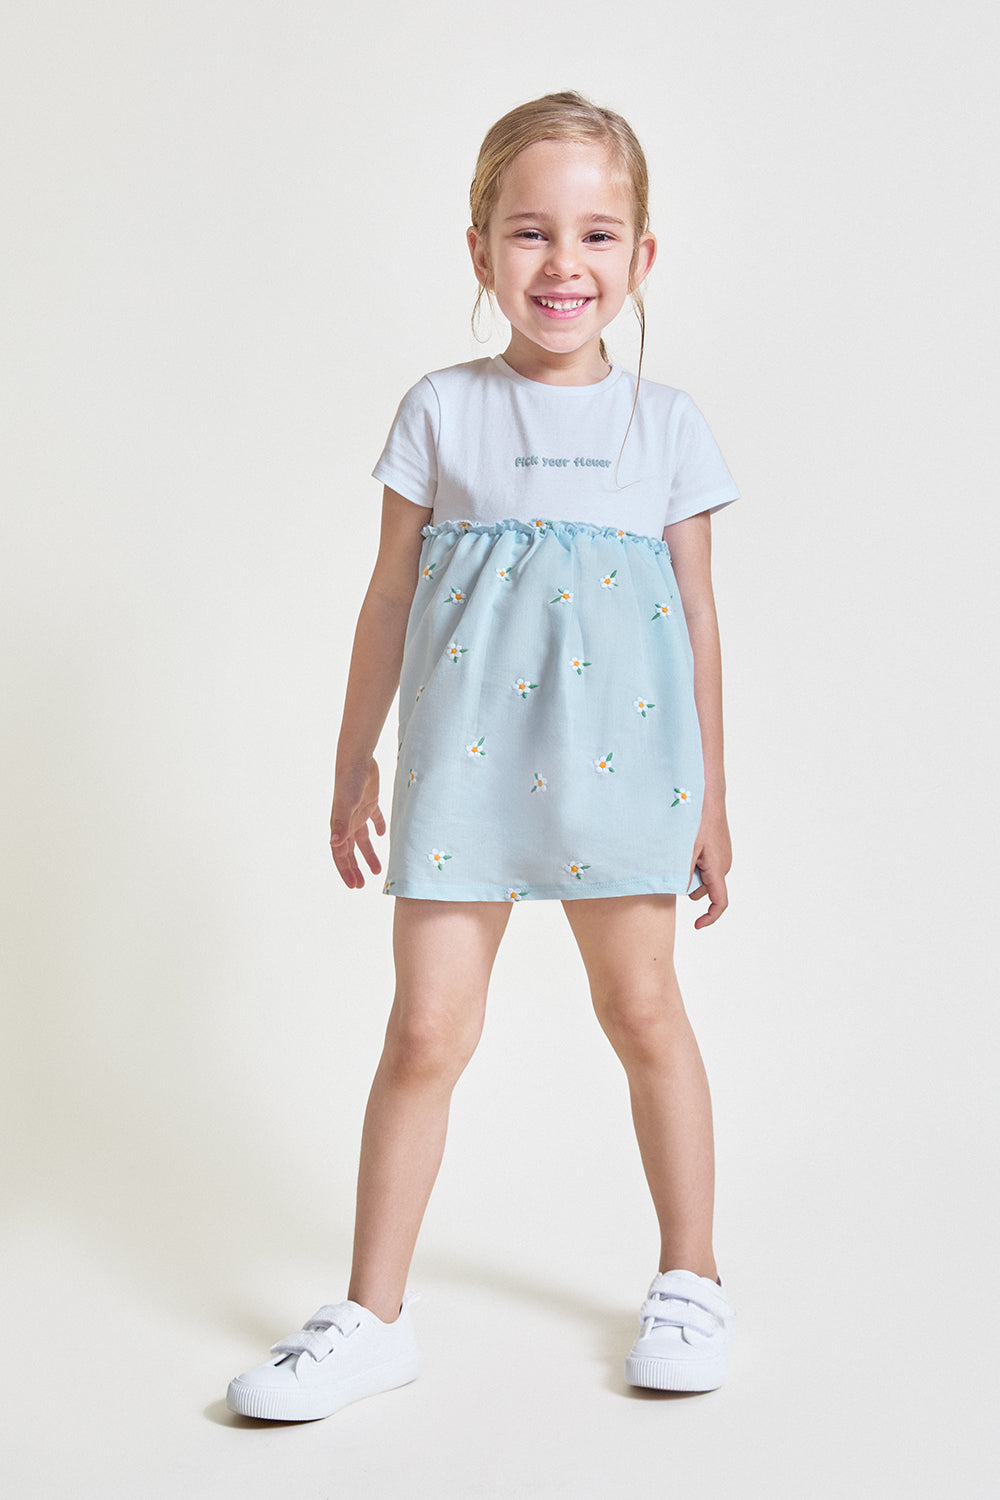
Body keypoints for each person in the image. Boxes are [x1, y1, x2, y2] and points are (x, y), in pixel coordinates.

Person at [227, 90, 739, 1422]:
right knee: (425, 1030)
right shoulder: (442, 411)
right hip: (461, 767)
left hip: (623, 773)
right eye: (530, 231)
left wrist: (712, 798)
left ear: (641, 256)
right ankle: (372, 1316)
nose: (563, 264)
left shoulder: (667, 426)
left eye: (596, 234)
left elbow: (696, 618)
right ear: (479, 249)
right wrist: (353, 759)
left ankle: (692, 1277)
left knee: (643, 1012)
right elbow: (389, 596)